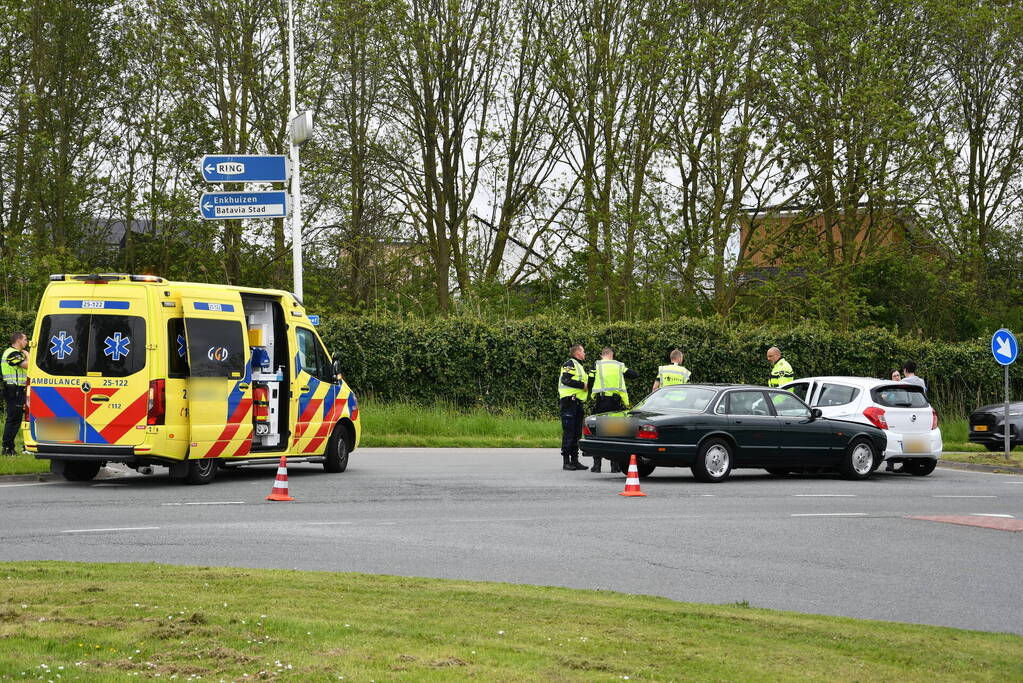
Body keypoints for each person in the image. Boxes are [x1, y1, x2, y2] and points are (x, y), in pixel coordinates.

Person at [589, 347, 639, 473]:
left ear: (602, 355)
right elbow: (634, 375)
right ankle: (615, 465)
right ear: (611, 355)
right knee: (616, 433)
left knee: (598, 432)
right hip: (615, 403)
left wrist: (591, 394)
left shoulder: (596, 365)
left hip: (601, 402)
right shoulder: (619, 365)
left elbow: (589, 380)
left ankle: (597, 465)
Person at [558, 344, 589, 470]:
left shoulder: (579, 366)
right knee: (569, 432)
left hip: (577, 403)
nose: (584, 353)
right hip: (569, 402)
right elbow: (566, 380)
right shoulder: (569, 364)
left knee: (577, 433)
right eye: (583, 351)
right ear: (577, 353)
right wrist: (582, 385)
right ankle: (566, 461)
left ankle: (575, 461)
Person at [2, 332, 28, 456]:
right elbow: (28, 365)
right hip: (14, 391)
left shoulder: (17, 353)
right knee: (13, 420)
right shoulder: (12, 353)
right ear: (18, 341)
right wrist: (28, 354)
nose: (27, 342)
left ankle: (12, 447)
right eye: (25, 340)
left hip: (17, 390)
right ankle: (7, 448)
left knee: (16, 419)